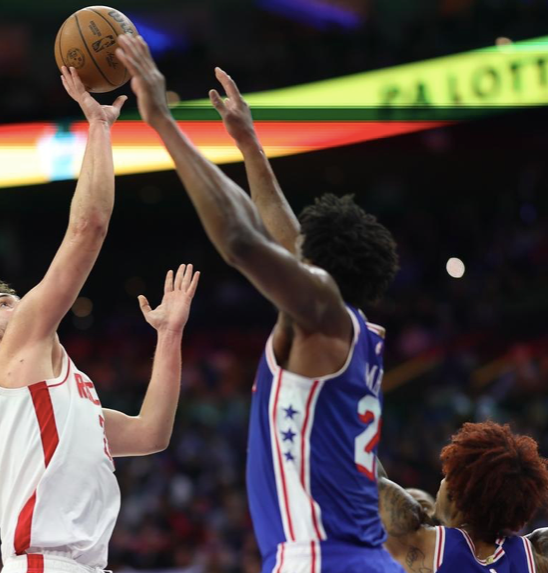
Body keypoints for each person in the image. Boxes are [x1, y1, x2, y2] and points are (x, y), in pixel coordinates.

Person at [116, 35, 401, 573]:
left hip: (320, 559)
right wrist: (249, 146)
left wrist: (163, 122)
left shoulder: (322, 312)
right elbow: (287, 241)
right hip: (357, 557)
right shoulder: (353, 328)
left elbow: (243, 242)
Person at [0, 66, 200, 573]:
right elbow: (88, 228)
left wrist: (169, 335)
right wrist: (99, 125)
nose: (20, 305)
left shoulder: (63, 396)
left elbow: (151, 434)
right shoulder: (10, 360)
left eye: (16, 298)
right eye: (4, 304)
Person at [379, 421, 548, 572]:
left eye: (447, 475)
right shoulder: (538, 556)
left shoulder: (421, 543)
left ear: (452, 492)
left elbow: (367, 475)